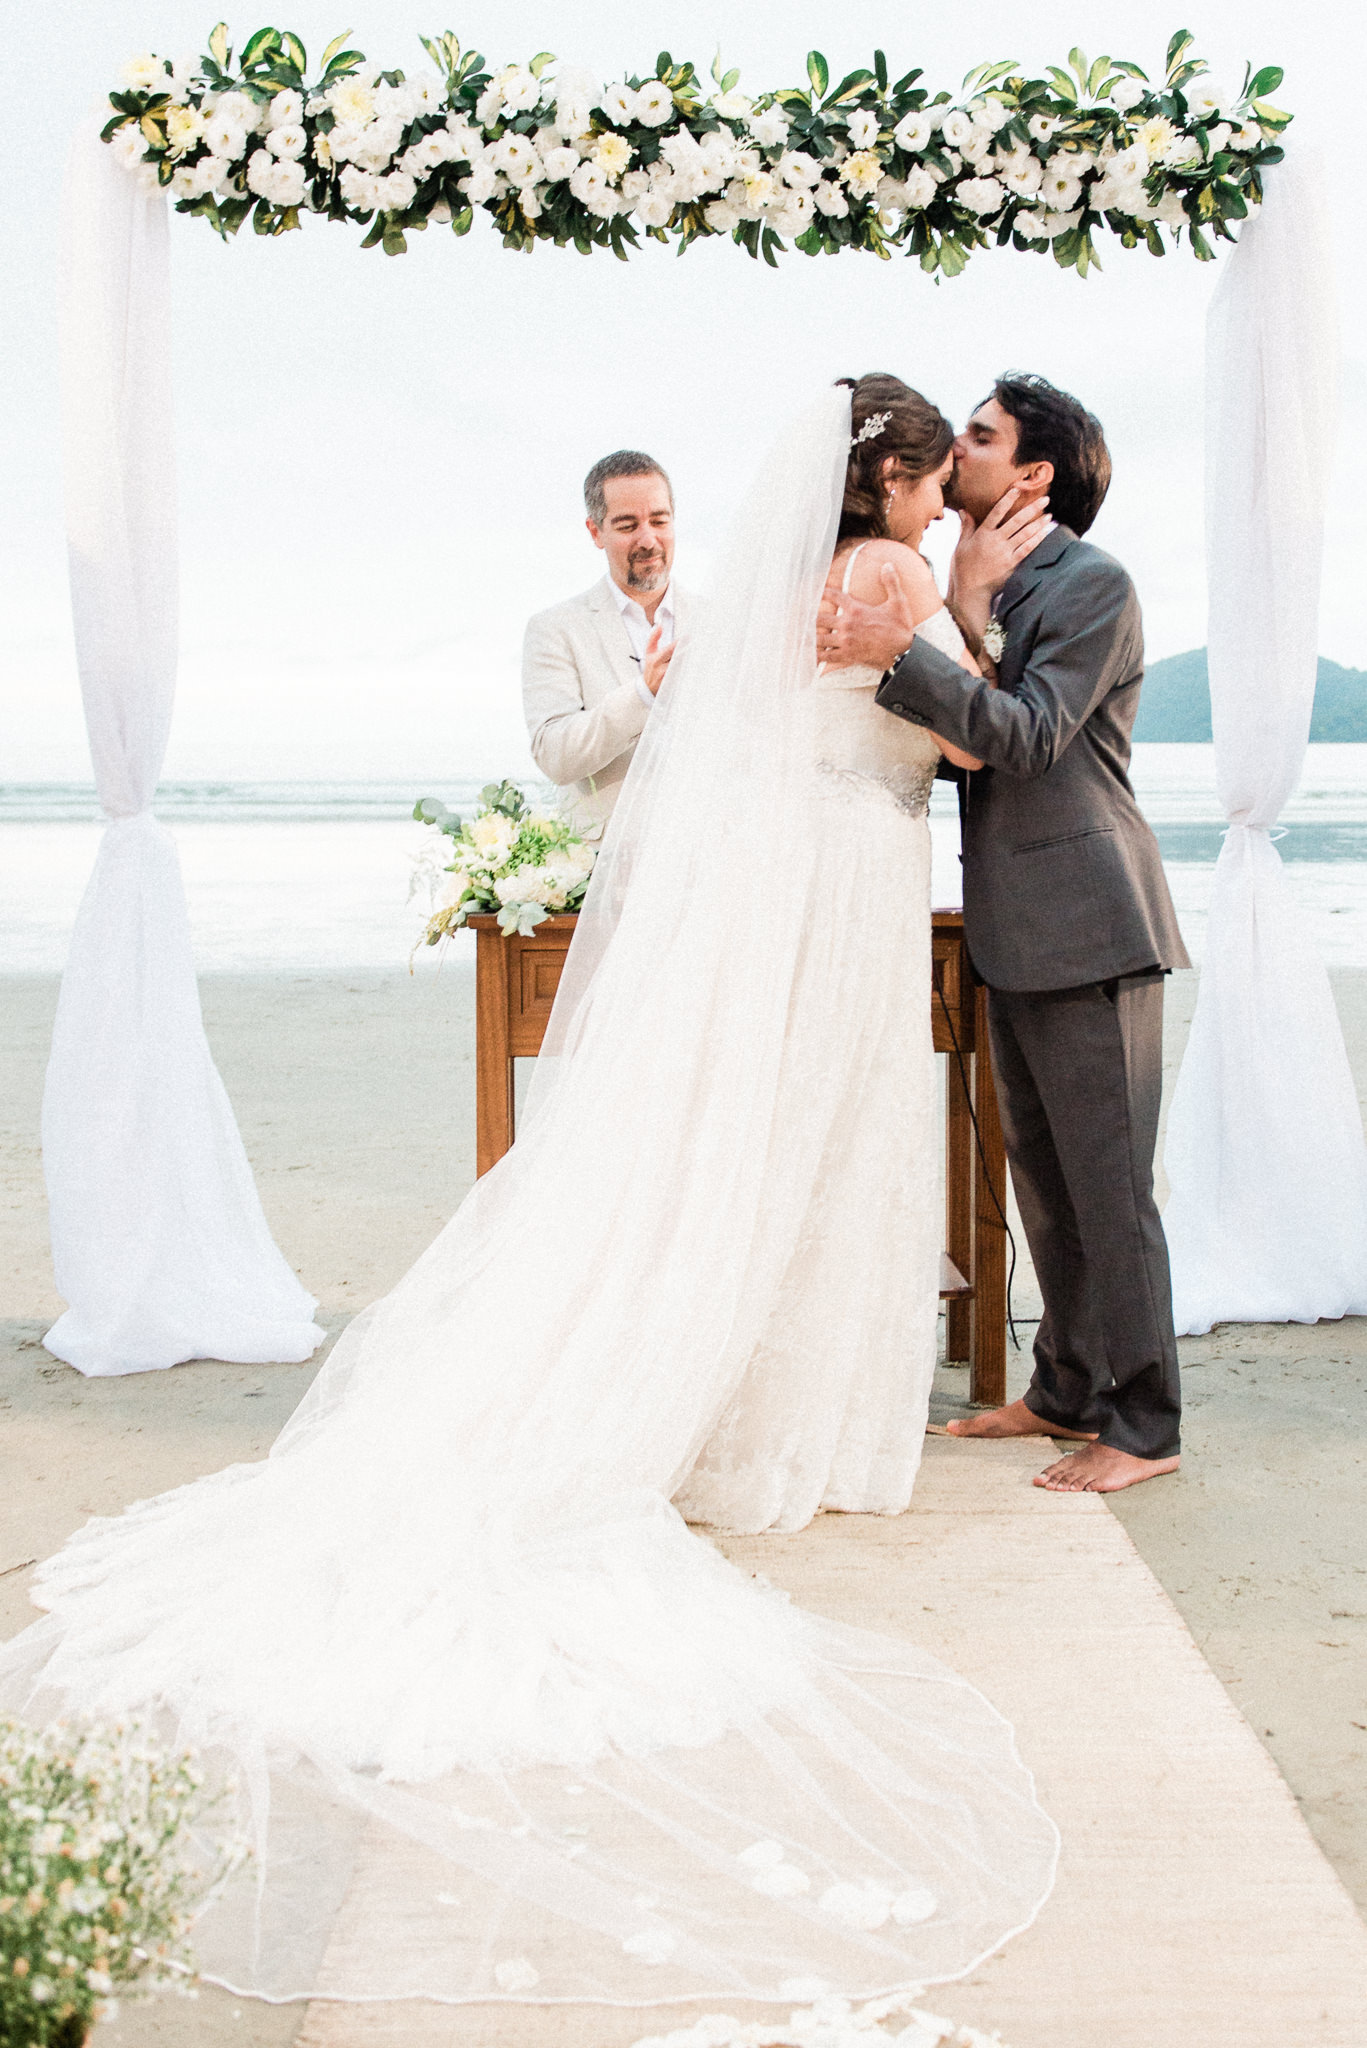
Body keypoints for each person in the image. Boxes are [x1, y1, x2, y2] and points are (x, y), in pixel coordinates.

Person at [0, 382, 1059, 2016]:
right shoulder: (899, 575)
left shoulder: (782, 585)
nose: (940, 508)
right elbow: (960, 737)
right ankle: (793, 1429)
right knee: (826, 1154)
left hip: (791, 879)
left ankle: (720, 1394)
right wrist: (976, 607)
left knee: (754, 1154)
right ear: (896, 481)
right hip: (852, 877)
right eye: (930, 485)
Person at [816, 373, 1189, 1496]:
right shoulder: (974, 580)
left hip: (1091, 920)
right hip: (1012, 927)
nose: (957, 451)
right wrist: (956, 611)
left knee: (1107, 1186)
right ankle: (1064, 1387)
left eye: (979, 436)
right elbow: (957, 737)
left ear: (1032, 473)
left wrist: (910, 647)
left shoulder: (1092, 584)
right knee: (1042, 1179)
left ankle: (1145, 1425)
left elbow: (1023, 738)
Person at [522, 448, 698, 837]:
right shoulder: (554, 629)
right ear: (595, 532)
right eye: (627, 525)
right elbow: (554, 756)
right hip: (604, 863)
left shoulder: (720, 621)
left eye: (659, 520)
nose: (648, 539)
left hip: (707, 853)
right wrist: (642, 695)